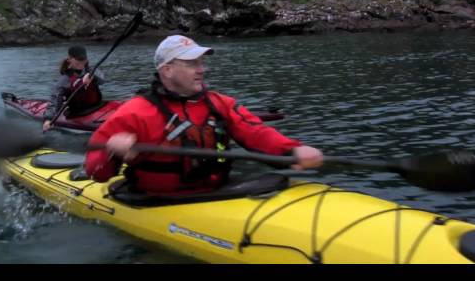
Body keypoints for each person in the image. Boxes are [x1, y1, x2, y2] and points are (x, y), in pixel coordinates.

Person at [84, 35, 323, 195]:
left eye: (201, 63)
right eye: (191, 64)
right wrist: (113, 153)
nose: (201, 70)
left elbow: (256, 133)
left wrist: (292, 151)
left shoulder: (220, 103)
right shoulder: (134, 112)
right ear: (166, 70)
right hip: (156, 201)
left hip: (217, 191)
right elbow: (95, 172)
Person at [42, 45, 105, 132]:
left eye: (83, 59)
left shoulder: (92, 70)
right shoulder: (64, 80)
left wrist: (92, 76)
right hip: (78, 114)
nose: (81, 62)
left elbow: (102, 80)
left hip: (99, 107)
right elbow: (55, 100)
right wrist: (48, 119)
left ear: (86, 59)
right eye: (78, 60)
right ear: (70, 59)